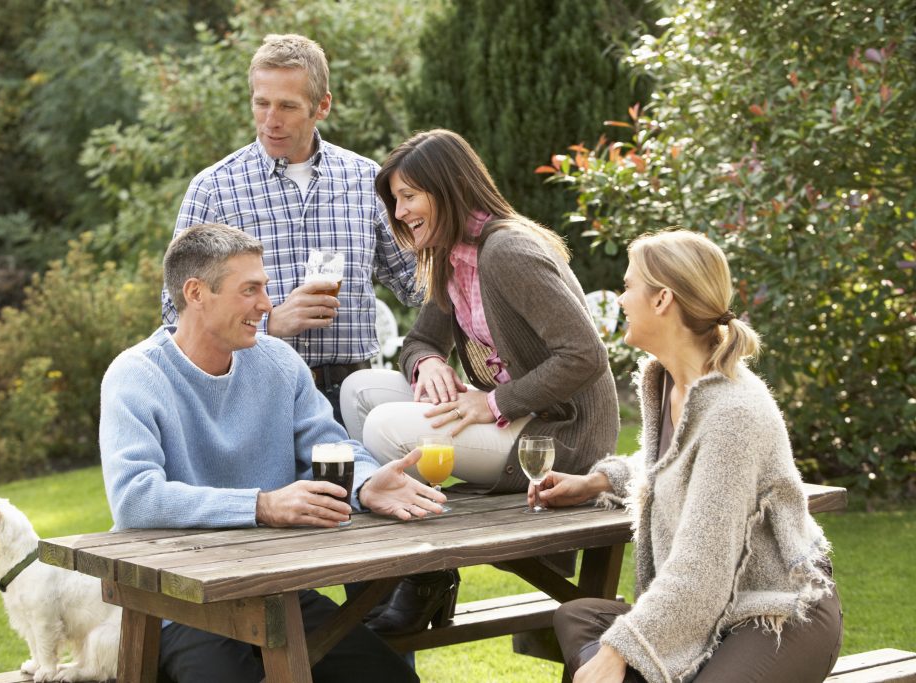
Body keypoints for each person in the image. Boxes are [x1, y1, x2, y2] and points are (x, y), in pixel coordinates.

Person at [101, 223, 444, 683]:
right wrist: (262, 505)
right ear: (196, 293)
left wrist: (365, 482)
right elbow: (135, 497)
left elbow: (331, 443)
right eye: (250, 290)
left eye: (263, 288)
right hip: (181, 604)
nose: (267, 304)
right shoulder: (135, 376)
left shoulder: (278, 362)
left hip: (277, 594)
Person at [339, 129, 620, 636]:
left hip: (559, 434)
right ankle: (431, 576)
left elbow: (585, 355)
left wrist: (493, 402)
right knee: (360, 389)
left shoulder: (506, 251)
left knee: (384, 427)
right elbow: (418, 342)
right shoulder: (449, 255)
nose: (399, 213)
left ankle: (418, 578)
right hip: (509, 415)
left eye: (408, 197)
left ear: (447, 190)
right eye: (396, 200)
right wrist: (428, 365)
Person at [541, 229, 843, 683]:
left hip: (773, 610)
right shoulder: (667, 385)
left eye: (628, 287)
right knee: (577, 618)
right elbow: (674, 465)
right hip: (714, 605)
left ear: (663, 299)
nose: (620, 300)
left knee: (612, 649)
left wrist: (624, 647)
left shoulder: (733, 412)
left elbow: (700, 571)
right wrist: (598, 481)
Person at [161, 33, 421, 425]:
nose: (271, 120)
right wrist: (269, 323)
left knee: (363, 488)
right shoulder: (214, 189)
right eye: (261, 103)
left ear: (323, 106)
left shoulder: (367, 180)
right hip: (255, 396)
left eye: (287, 106)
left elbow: (419, 283)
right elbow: (174, 310)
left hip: (352, 398)